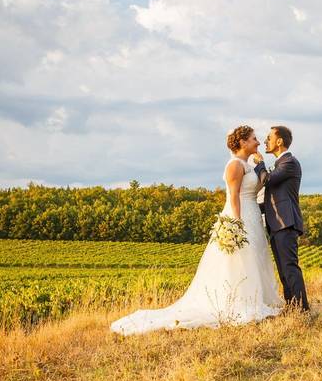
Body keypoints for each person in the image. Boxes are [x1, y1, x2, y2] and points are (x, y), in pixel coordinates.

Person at [111, 126, 283, 335]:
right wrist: (237, 225)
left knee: (254, 258)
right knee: (240, 260)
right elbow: (234, 196)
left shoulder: (249, 165)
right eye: (254, 139)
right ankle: (240, 304)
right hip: (241, 216)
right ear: (242, 143)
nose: (258, 143)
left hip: (253, 215)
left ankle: (256, 300)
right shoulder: (235, 165)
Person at [252, 126, 309, 311]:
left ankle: (301, 308)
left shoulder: (289, 162)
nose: (265, 141)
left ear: (279, 141)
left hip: (286, 222)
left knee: (290, 267)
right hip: (277, 224)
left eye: (269, 138)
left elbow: (267, 180)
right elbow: (273, 199)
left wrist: (259, 163)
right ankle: (291, 306)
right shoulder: (280, 163)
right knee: (284, 270)